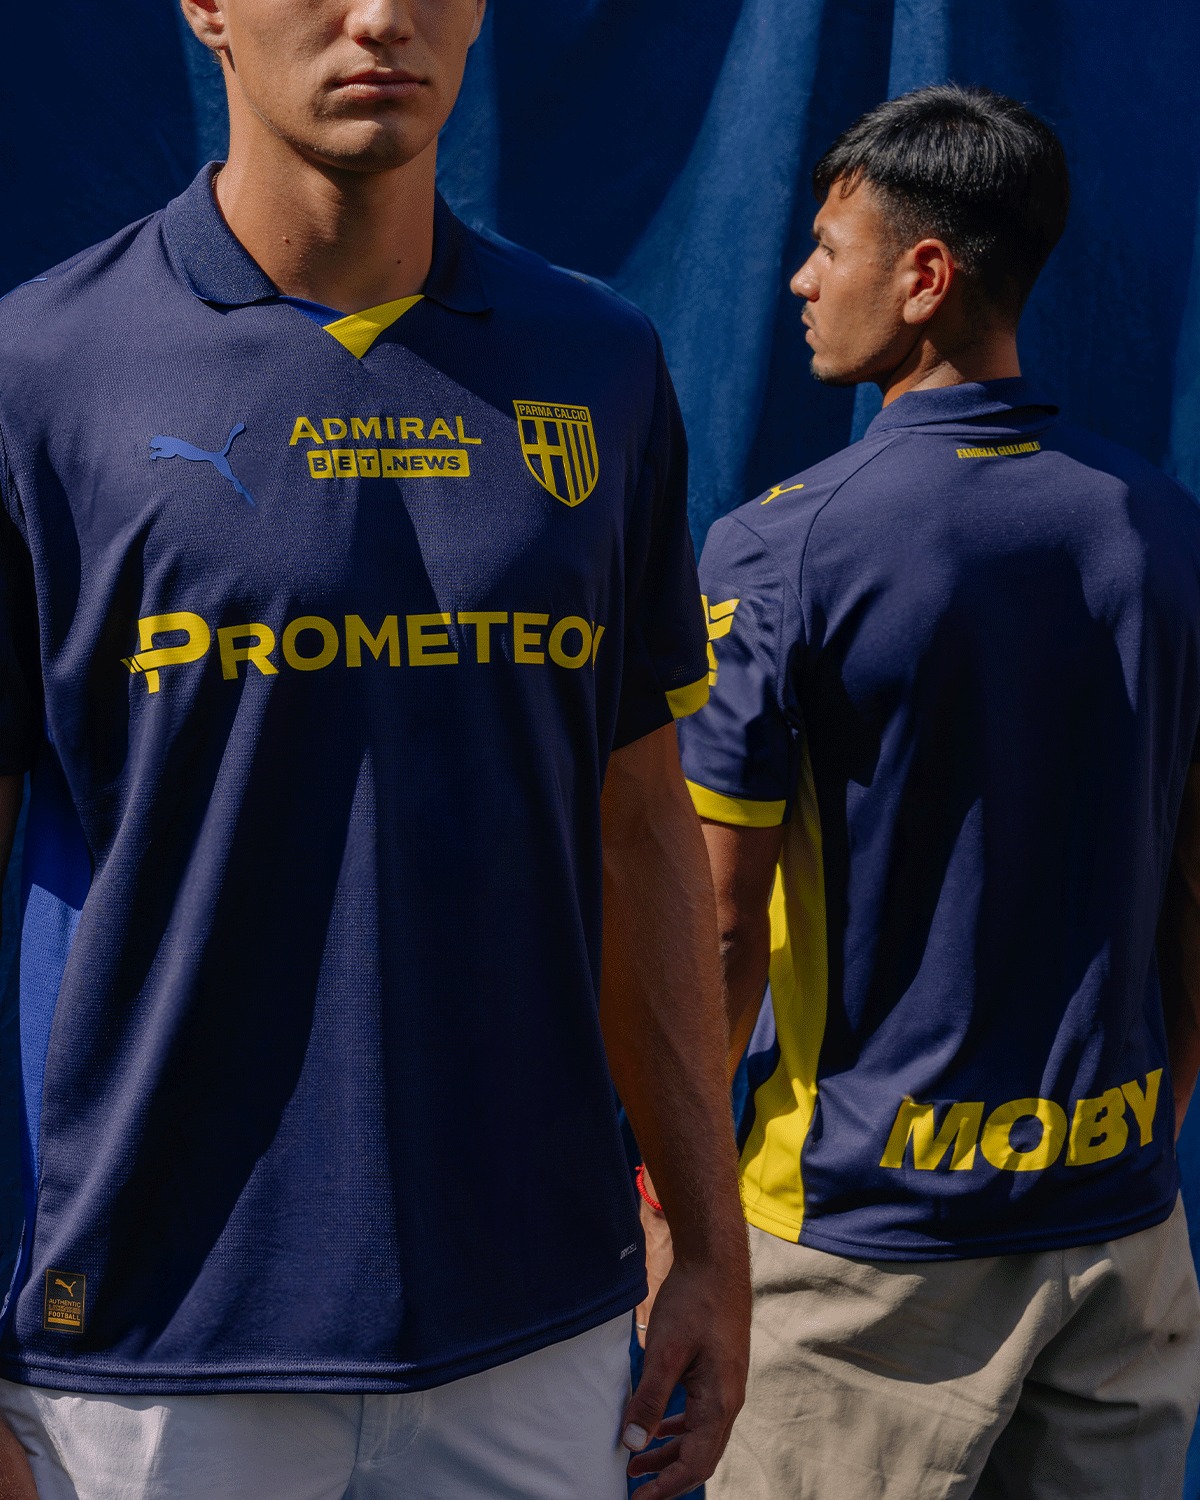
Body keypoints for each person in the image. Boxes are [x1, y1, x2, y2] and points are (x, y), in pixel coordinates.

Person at [0, 2, 750, 1496]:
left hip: (536, 1325)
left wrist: (713, 1247)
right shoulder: (42, 372)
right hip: (146, 1345)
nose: (381, 18)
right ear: (207, 7)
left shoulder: (598, 360)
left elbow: (641, 829)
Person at [674, 84, 1200, 1498]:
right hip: (1122, 1228)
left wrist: (676, 1211)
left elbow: (715, 925)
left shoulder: (780, 551)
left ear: (923, 277)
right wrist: (1142, 1133)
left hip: (860, 1258)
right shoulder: (1165, 529)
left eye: (827, 247)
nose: (799, 280)